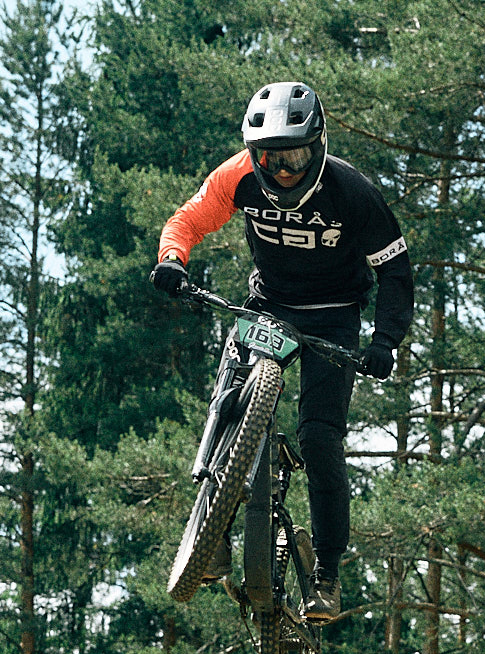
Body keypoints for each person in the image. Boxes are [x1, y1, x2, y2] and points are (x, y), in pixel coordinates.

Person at [151, 81, 415, 623]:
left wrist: (385, 341)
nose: (285, 170)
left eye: (295, 156)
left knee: (320, 438)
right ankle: (213, 531)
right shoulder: (238, 176)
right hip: (270, 304)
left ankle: (327, 575)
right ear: (254, 155)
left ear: (318, 146)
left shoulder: (352, 192)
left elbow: (394, 271)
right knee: (230, 399)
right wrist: (173, 259)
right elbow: (188, 219)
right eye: (271, 158)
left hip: (334, 314)